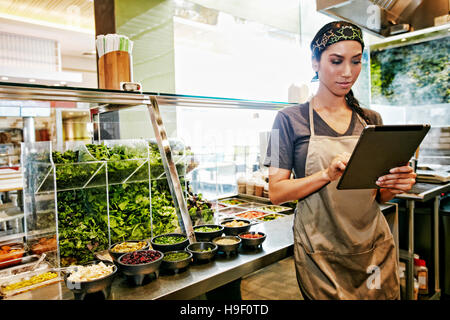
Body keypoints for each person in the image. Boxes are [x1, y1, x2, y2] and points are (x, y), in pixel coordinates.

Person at [264, 21, 416, 300]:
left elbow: (378, 196)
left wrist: (395, 184)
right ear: (315, 62)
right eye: (336, 61)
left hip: (372, 249)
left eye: (356, 61)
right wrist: (326, 174)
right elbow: (276, 193)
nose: (348, 72)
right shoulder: (286, 120)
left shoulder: (371, 120)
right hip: (321, 256)